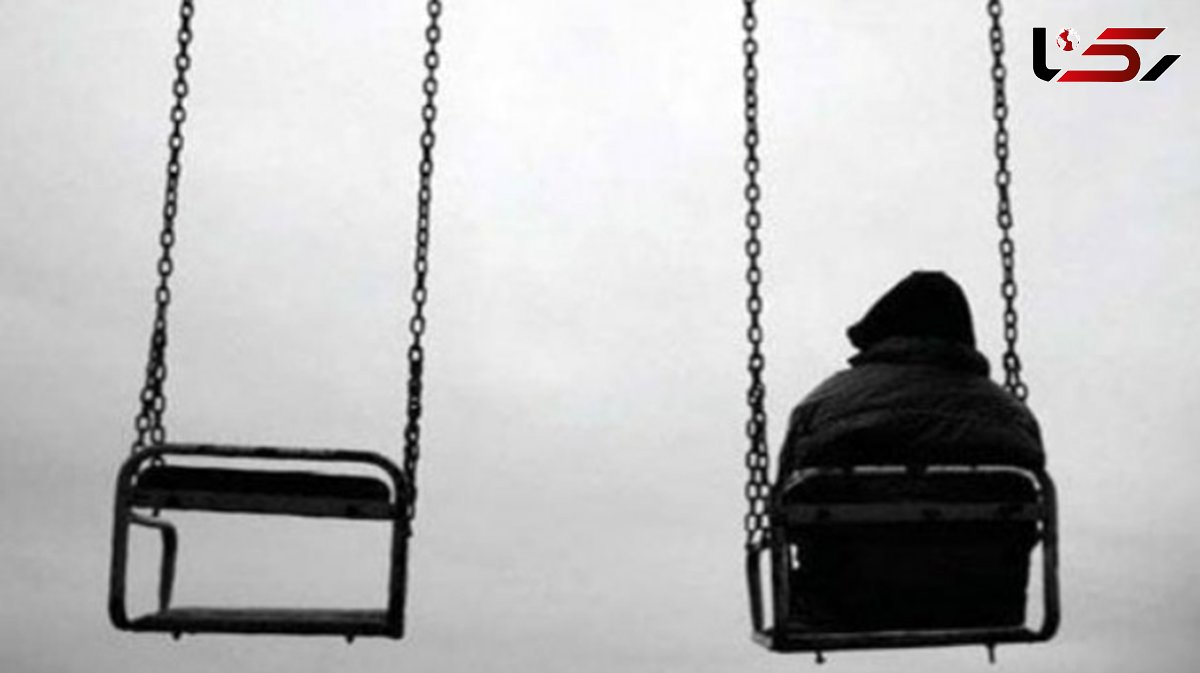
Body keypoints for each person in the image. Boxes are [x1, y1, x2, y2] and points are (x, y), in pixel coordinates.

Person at [774, 271, 1045, 630]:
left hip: (841, 600)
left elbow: (785, 505)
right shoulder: (1010, 412)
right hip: (980, 599)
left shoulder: (824, 402)